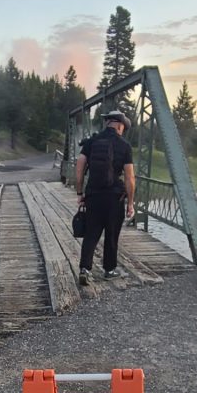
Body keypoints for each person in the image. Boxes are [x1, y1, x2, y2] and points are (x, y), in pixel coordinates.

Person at [75, 110, 135, 285]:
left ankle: (85, 269)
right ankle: (109, 270)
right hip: (114, 198)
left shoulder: (92, 141)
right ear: (119, 125)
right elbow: (130, 178)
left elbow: (79, 168)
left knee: (91, 233)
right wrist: (130, 202)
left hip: (93, 195)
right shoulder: (124, 145)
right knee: (111, 234)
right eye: (123, 127)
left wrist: (80, 193)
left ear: (107, 122)